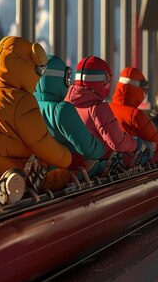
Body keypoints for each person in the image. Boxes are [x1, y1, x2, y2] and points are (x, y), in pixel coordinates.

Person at [0, 36, 87, 181]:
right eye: (38, 70)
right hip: (8, 175)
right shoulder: (22, 102)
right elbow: (42, 143)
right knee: (60, 178)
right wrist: (70, 160)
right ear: (26, 67)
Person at [66, 56, 152, 167]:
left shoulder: (66, 102)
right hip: (95, 167)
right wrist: (137, 144)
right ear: (104, 80)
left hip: (72, 163)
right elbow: (118, 143)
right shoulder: (98, 108)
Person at [34, 55, 107, 186]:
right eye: (68, 78)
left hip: (40, 173)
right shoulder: (62, 110)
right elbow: (89, 149)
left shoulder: (30, 107)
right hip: (69, 173)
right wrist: (104, 146)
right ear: (60, 80)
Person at [109, 67, 158, 159]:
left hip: (115, 160)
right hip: (136, 161)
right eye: (144, 89)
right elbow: (156, 141)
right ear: (137, 89)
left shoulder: (108, 108)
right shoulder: (135, 114)